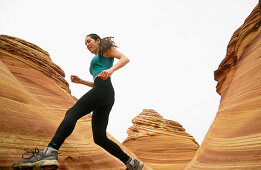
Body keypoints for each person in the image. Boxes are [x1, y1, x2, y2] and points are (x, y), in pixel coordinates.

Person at [12, 34, 144, 170]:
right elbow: (96, 83)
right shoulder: (98, 59)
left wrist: (110, 70)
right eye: (85, 44)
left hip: (104, 89)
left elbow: (125, 58)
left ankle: (50, 152)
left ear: (98, 41)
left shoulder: (105, 49)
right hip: (104, 92)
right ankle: (132, 163)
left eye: (89, 41)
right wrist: (81, 81)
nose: (87, 45)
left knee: (71, 113)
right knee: (99, 138)